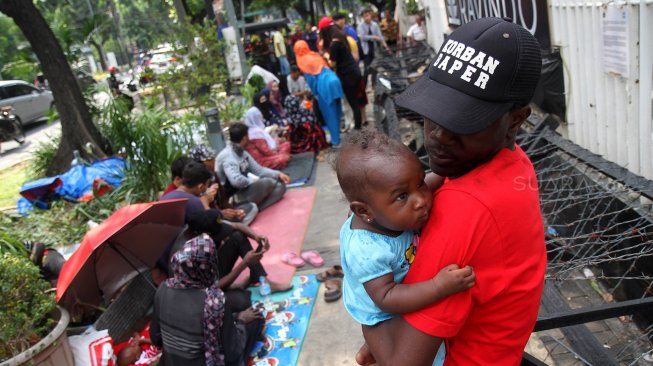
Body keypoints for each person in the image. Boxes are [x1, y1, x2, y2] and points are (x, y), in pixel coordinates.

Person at [354, 17, 547, 365]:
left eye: (464, 120)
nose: (439, 135)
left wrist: (366, 310)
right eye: (434, 112)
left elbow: (403, 362)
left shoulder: (464, 208)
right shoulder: (512, 163)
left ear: (515, 121)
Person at [335, 130, 476, 365]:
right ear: (364, 211)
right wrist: (438, 286)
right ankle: (373, 347)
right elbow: (387, 297)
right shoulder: (367, 250)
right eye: (402, 196)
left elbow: (427, 181)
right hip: (379, 313)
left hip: (398, 285)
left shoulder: (390, 208)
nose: (421, 199)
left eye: (419, 183)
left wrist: (446, 171)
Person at [150, 233, 265, 366]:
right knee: (256, 318)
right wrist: (241, 320)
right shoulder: (215, 301)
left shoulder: (163, 288)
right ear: (210, 266)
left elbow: (156, 338)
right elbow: (233, 351)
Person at [216, 123, 291, 211]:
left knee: (281, 187)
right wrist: (253, 182)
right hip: (233, 197)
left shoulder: (243, 152)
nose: (249, 138)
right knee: (267, 182)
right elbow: (236, 181)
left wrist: (278, 174)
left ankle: (253, 207)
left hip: (246, 191)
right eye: (248, 136)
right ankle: (246, 207)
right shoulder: (228, 156)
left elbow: (259, 170)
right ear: (244, 138)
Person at [188, 144, 259, 225]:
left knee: (252, 207)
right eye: (210, 159)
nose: (214, 161)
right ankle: (235, 228)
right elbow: (205, 215)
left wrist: (235, 212)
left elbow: (224, 200)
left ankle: (236, 226)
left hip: (222, 214)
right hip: (214, 219)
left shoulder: (213, 176)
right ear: (203, 163)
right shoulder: (195, 186)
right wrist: (221, 214)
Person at [293, 40, 345, 146]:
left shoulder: (303, 61)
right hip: (334, 80)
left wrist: (315, 94)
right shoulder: (314, 55)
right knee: (337, 109)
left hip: (324, 85)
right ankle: (337, 133)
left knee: (329, 114)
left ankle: (336, 141)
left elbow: (311, 81)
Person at [320, 23, 363, 131]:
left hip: (347, 75)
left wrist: (325, 56)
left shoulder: (334, 44)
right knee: (355, 102)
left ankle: (358, 127)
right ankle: (358, 125)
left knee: (353, 102)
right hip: (354, 71)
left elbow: (333, 64)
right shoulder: (342, 37)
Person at [244, 94, 291, 169]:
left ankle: (280, 155)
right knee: (283, 157)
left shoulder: (255, 129)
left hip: (269, 151)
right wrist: (276, 152)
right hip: (261, 160)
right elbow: (266, 151)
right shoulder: (255, 133)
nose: (261, 116)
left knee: (285, 144)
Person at [357, 8, 389, 87]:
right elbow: (362, 37)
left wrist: (385, 45)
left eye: (367, 15)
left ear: (370, 15)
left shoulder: (374, 25)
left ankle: (373, 85)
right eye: (364, 16)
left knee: (375, 68)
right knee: (367, 70)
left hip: (374, 49)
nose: (366, 18)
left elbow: (380, 36)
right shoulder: (360, 26)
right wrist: (373, 37)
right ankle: (363, 86)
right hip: (366, 51)